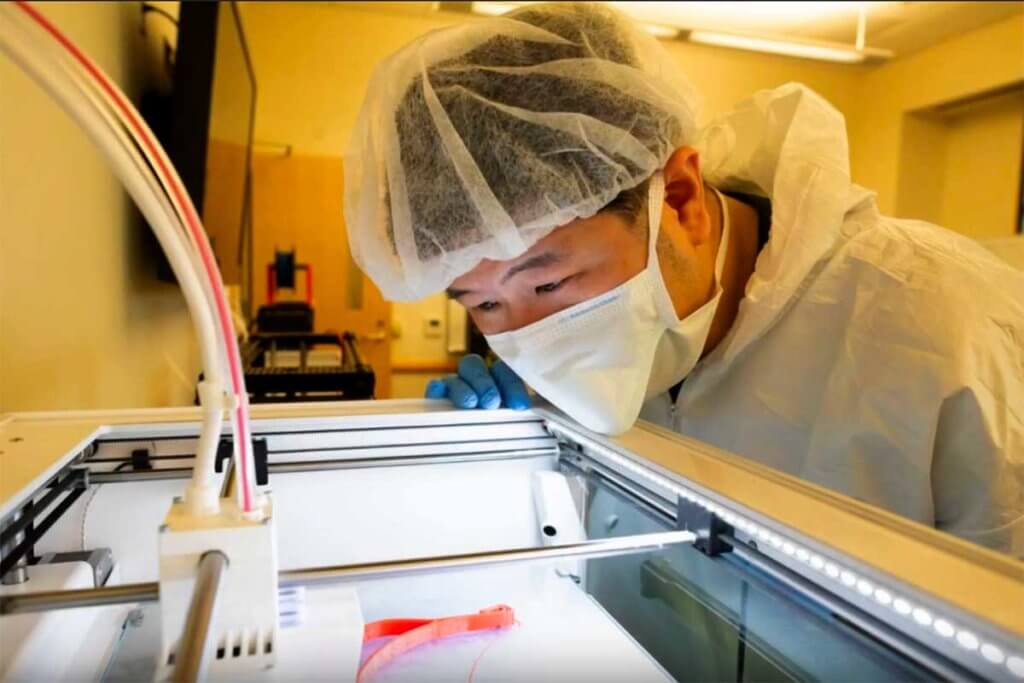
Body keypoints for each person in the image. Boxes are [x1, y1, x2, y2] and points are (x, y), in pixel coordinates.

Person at [344, 2, 1023, 554]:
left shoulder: (946, 326)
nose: (532, 338)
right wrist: (512, 453)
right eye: (485, 302)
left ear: (679, 199)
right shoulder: (572, 350)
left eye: (549, 286)